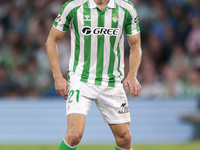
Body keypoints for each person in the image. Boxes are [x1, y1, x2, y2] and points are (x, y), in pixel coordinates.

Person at [45, 0, 142, 149]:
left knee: (125, 138)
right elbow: (51, 40)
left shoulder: (126, 8)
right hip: (81, 78)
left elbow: (136, 45)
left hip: (112, 81)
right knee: (74, 135)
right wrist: (58, 77)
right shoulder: (73, 7)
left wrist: (132, 75)